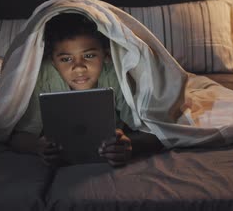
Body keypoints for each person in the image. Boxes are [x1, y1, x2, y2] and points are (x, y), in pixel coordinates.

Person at [9, 13, 163, 167]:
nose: (78, 67)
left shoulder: (115, 74)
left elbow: (156, 132)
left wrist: (130, 144)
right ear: (53, 62)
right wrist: (38, 147)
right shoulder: (43, 76)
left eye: (89, 55)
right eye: (66, 59)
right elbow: (17, 137)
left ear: (106, 55)